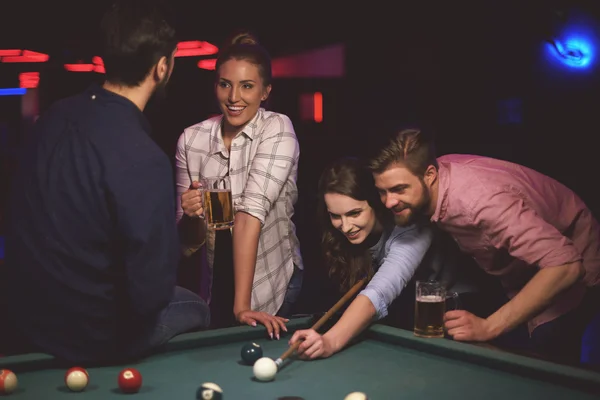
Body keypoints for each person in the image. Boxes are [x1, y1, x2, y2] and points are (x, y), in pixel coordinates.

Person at [0, 0, 210, 365]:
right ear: (162, 67)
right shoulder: (144, 158)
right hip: (94, 338)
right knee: (196, 306)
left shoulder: (52, 118)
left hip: (26, 320)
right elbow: (150, 294)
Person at [367, 128, 600, 363]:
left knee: (544, 355)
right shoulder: (437, 175)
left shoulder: (481, 203)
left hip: (576, 262)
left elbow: (566, 266)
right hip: (525, 272)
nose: (389, 202)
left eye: (398, 189)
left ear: (429, 176)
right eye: (382, 192)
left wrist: (488, 327)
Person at [176, 31, 303, 339]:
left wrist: (242, 307)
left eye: (247, 86)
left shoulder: (277, 128)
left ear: (265, 92)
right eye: (225, 84)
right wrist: (192, 215)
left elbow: (249, 214)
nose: (234, 98)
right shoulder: (191, 140)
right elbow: (186, 245)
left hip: (271, 281)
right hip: (216, 285)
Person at [288, 157, 434, 359]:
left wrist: (330, 341)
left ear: (375, 203)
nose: (345, 227)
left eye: (355, 213)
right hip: (394, 329)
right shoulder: (338, 236)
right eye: (336, 216)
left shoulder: (411, 230)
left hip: (444, 320)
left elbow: (379, 292)